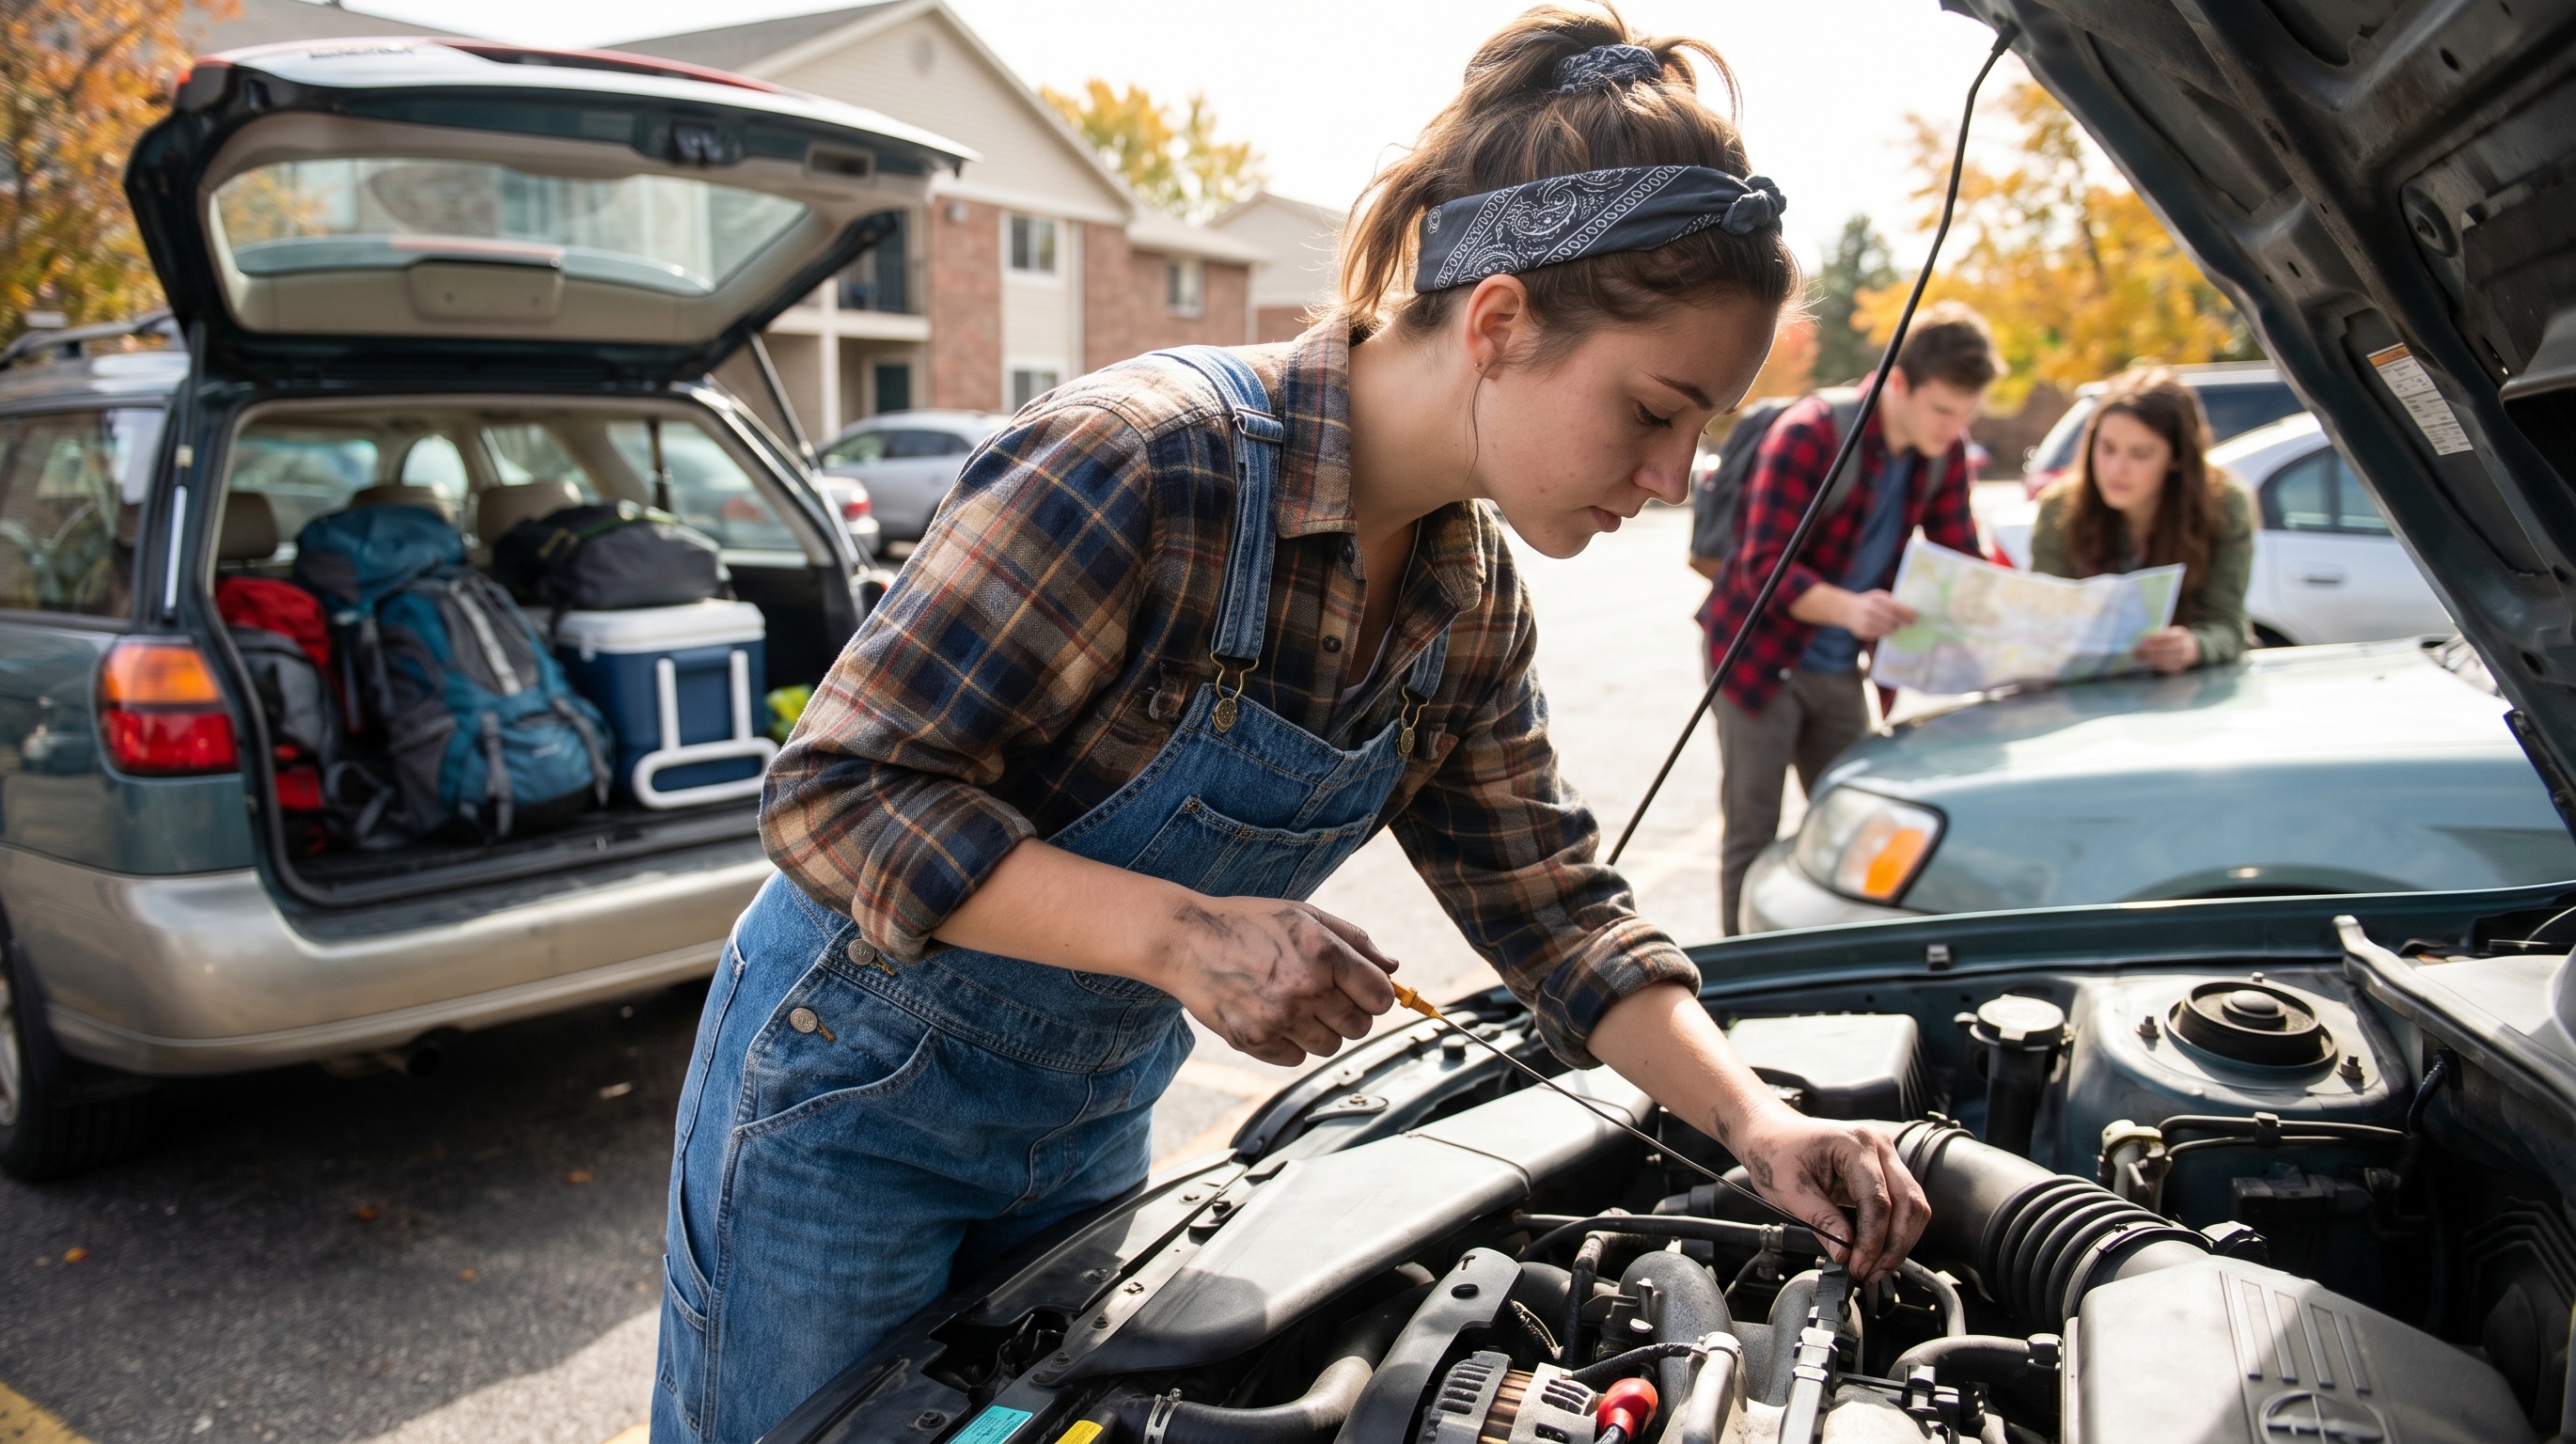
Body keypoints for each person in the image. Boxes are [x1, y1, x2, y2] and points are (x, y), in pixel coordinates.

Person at [651, 11, 1931, 1443]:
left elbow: (1553, 907)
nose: (1676, 475)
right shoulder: (1138, 465)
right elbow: (836, 798)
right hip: (843, 1115)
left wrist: (1755, 1121)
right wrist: (1191, 940)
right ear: (1499, 323)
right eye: (1654, 408)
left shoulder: (1466, 597)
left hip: (1082, 1127)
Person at [1701, 304, 2001, 935]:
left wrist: (2021, 618)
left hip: (1838, 663)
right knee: (1751, 827)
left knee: (1857, 826)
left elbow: (1960, 562)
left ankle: (1836, 966)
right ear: (1898, 384)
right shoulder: (1810, 432)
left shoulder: (1941, 454)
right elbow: (1763, 567)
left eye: (1966, 416)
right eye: (1943, 411)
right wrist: (1851, 608)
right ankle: (1740, 986)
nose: (1955, 430)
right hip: (1758, 655)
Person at [2029, 367, 2254, 672]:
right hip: (2083, 692)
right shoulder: (2060, 507)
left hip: (2186, 693)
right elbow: (2043, 616)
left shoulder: (2224, 506)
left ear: (2176, 458)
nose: (2116, 469)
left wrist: (2193, 646)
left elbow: (2227, 625)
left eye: (2140, 454)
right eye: (2107, 448)